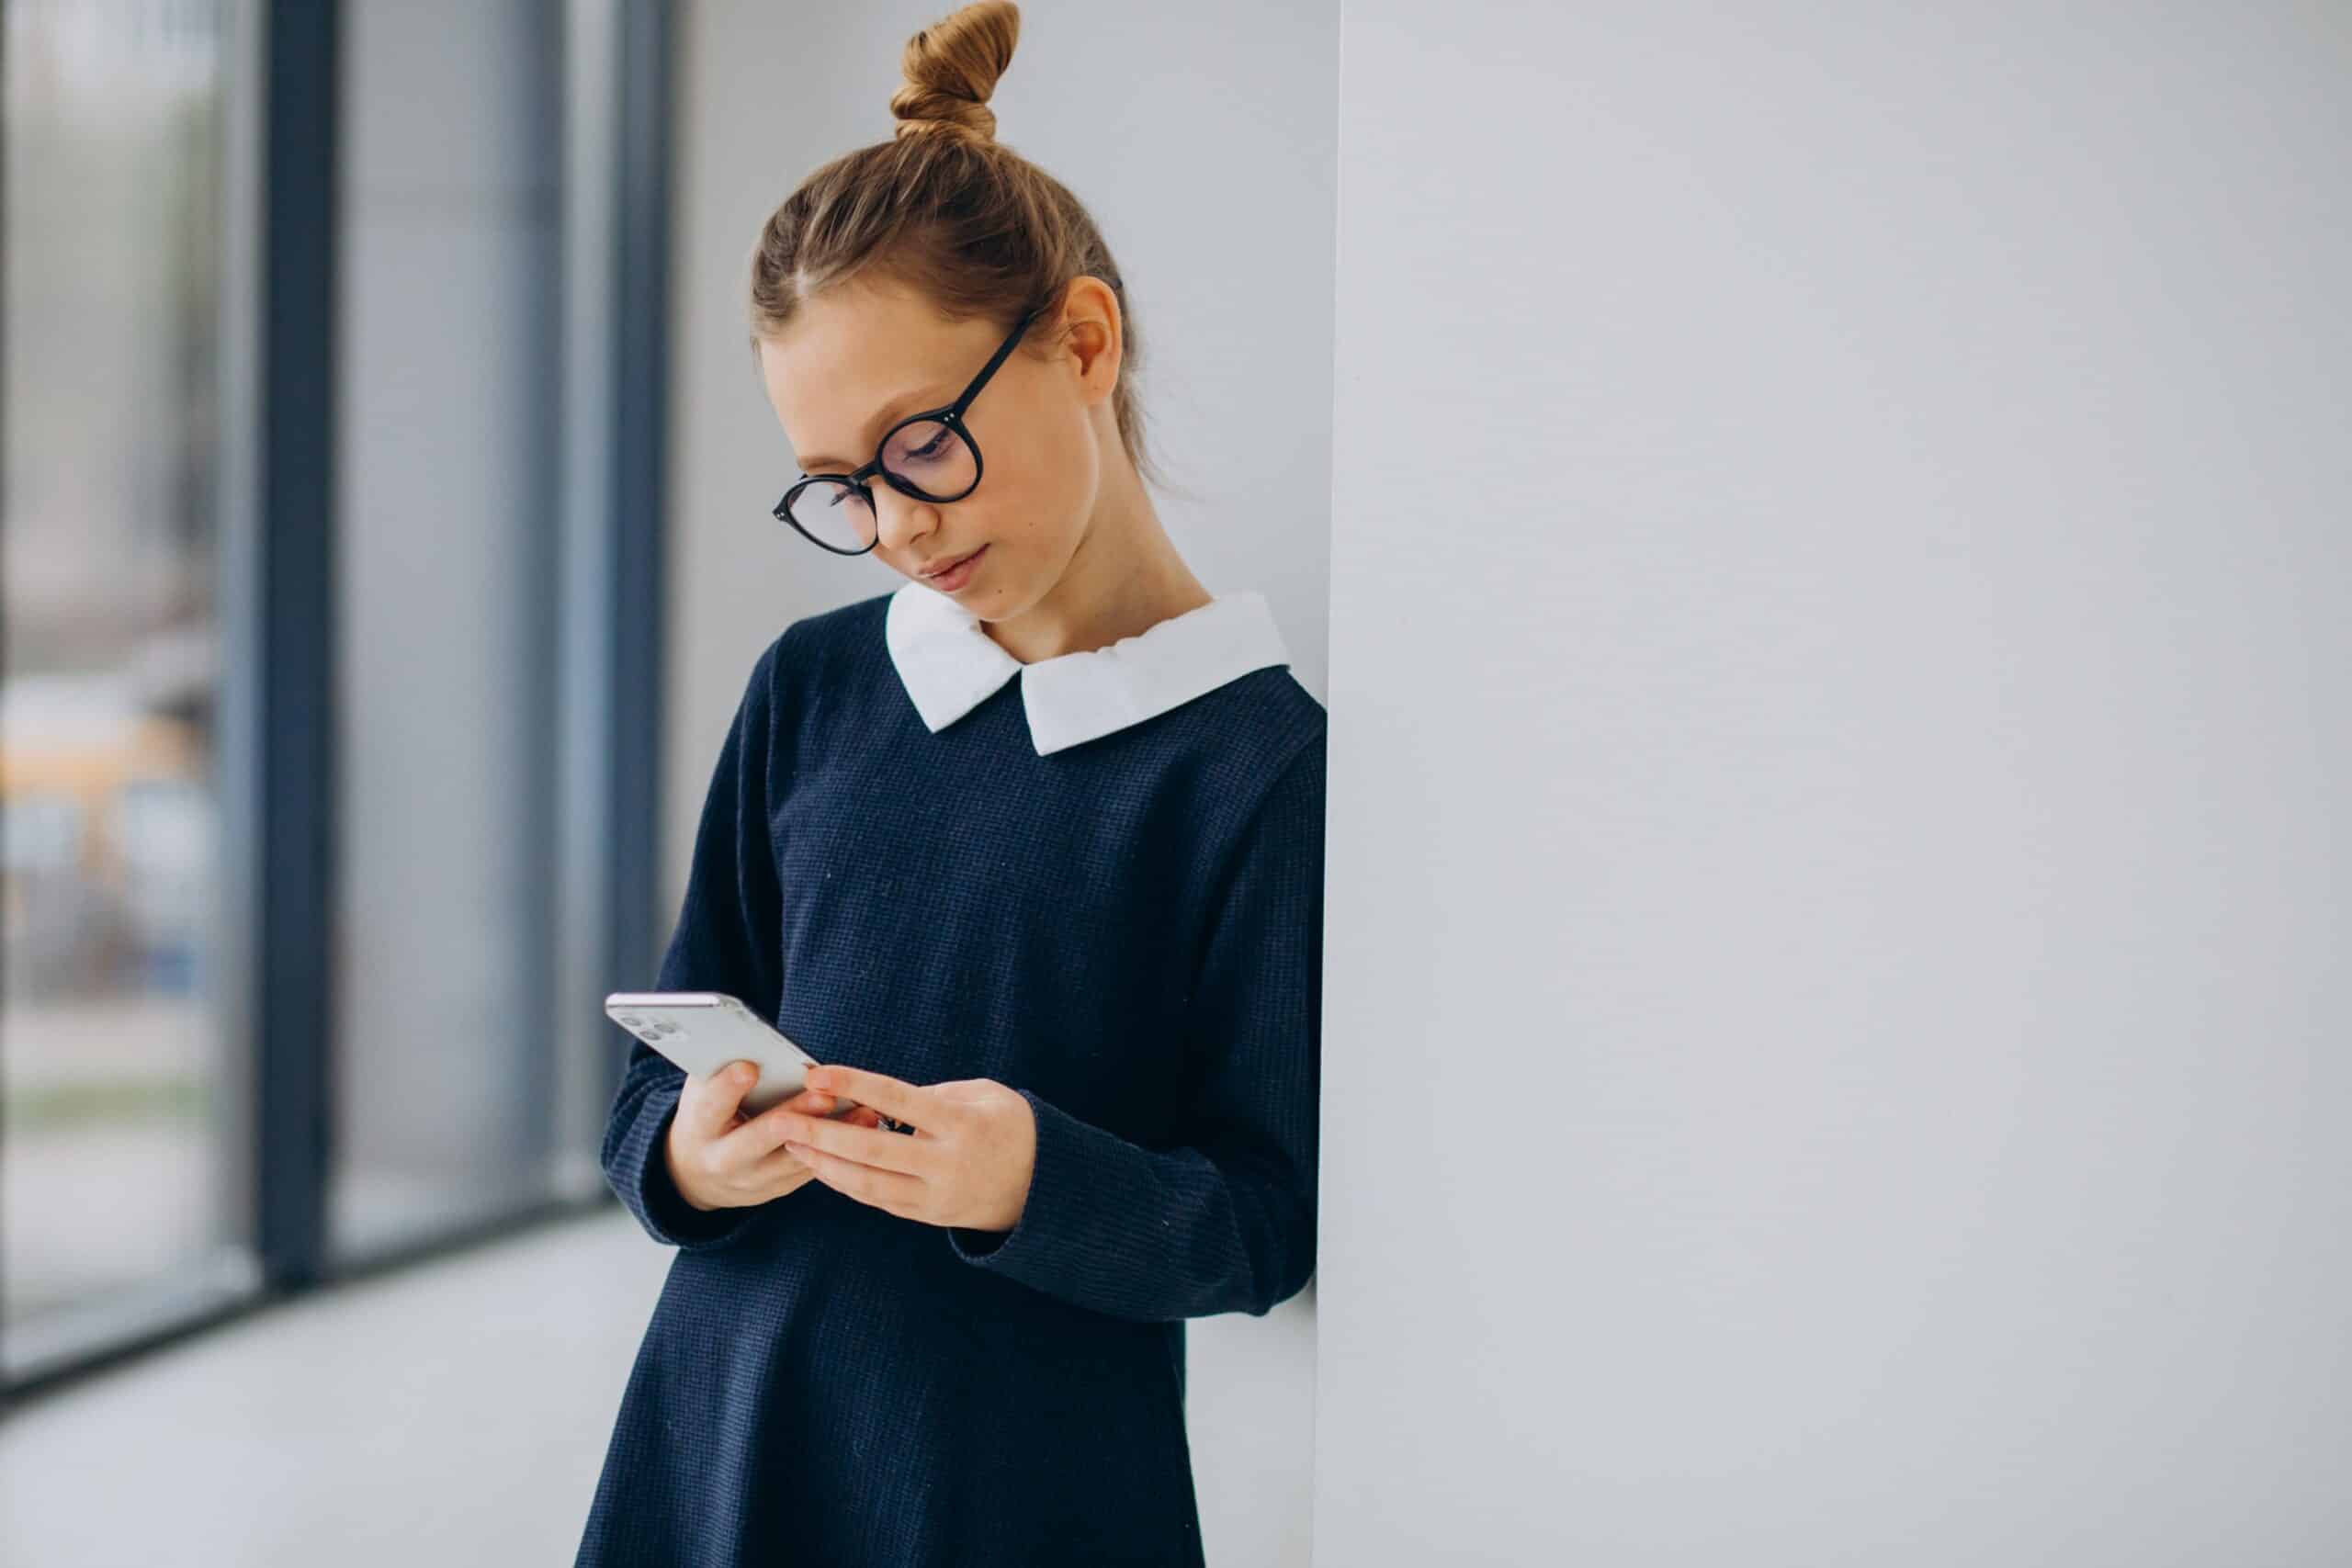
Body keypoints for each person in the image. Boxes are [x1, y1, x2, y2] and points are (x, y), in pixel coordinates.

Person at [571, 4, 1326, 1564]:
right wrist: (691, 1156)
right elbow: (660, 1065)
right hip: (721, 1436)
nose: (895, 524)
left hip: (1017, 1495)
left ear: (1083, 341)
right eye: (839, 485)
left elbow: (1266, 1216)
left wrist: (1033, 1180)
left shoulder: (1254, 763)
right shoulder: (819, 686)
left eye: (921, 445)